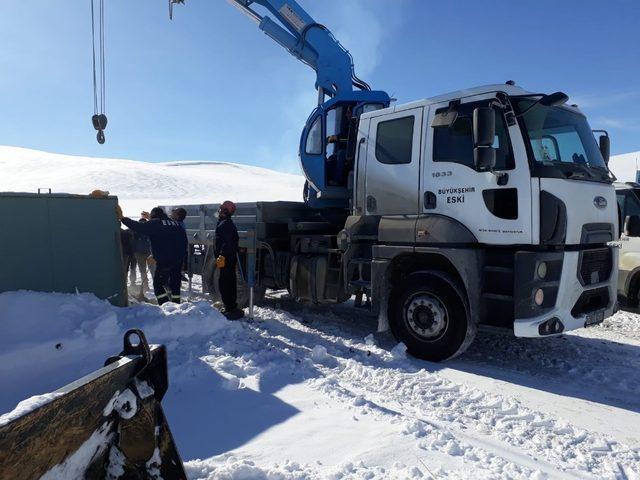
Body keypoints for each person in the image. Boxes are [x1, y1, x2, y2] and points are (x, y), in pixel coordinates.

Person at [116, 205, 188, 305]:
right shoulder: (176, 224)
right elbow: (184, 242)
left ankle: (165, 305)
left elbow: (139, 227)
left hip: (165, 261)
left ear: (154, 216)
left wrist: (123, 218)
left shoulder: (156, 223)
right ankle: (176, 304)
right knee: (175, 284)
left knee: (158, 285)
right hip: (177, 260)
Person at [215, 200, 242, 320]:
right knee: (229, 282)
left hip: (226, 258)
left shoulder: (226, 224)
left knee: (225, 283)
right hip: (228, 258)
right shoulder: (225, 222)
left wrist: (222, 255)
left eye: (221, 209)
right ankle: (231, 307)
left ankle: (230, 308)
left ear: (225, 211)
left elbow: (228, 242)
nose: (219, 211)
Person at [130, 218, 152, 300]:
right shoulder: (138, 230)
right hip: (142, 252)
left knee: (143, 270)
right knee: (144, 270)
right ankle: (145, 286)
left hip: (143, 252)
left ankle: (146, 286)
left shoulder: (138, 229)